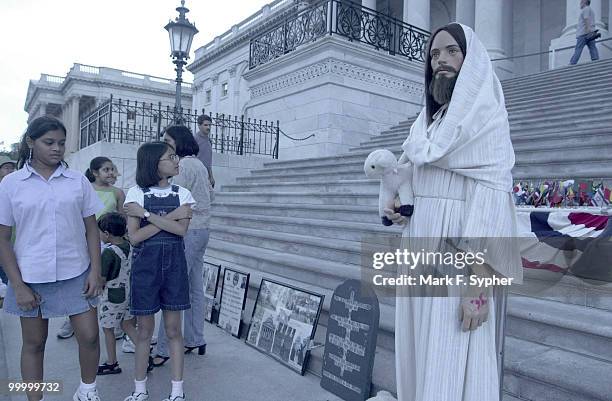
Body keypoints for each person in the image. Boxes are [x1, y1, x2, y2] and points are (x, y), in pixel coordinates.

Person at [385, 23, 523, 401]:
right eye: (434, 54)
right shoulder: (426, 123)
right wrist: (401, 207)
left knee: (451, 354)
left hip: (458, 258)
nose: (440, 61)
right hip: (418, 250)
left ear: (471, 61)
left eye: (451, 52)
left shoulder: (488, 122)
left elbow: (492, 199)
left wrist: (477, 286)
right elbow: (410, 176)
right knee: (420, 351)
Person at [0, 116, 105, 401]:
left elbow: (92, 229)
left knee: (90, 335)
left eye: (61, 143)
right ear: (31, 142)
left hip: (76, 271)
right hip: (30, 276)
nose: (56, 148)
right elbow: (3, 238)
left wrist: (95, 271)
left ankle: (87, 390)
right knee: (34, 343)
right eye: (49, 143)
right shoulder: (11, 184)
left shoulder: (77, 181)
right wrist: (18, 285)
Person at [123, 141, 195, 401]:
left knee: (174, 330)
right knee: (144, 331)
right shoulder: (136, 193)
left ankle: (177, 392)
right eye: (171, 157)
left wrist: (147, 215)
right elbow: (134, 237)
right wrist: (171, 216)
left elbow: (181, 230)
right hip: (145, 268)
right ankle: (139, 390)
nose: (176, 161)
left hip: (174, 268)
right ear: (154, 163)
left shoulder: (183, 193)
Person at [145, 125, 211, 367]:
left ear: (178, 142)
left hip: (189, 231)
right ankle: (195, 338)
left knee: (173, 290)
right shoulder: (200, 164)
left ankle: (164, 348)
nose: (165, 144)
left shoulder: (182, 166)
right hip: (202, 229)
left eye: (168, 140)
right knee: (194, 287)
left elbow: (172, 200)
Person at [57, 156, 126, 340]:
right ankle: (72, 320)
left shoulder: (118, 193)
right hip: (84, 241)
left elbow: (121, 219)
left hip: (107, 243)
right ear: (95, 172)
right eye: (106, 169)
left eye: (112, 169)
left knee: (109, 282)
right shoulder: (85, 188)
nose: (110, 173)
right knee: (83, 281)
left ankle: (114, 321)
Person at [96, 212, 138, 376]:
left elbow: (102, 279)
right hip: (129, 294)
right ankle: (145, 355)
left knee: (108, 329)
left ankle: (111, 362)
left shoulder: (108, 252)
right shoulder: (129, 245)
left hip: (112, 297)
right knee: (128, 325)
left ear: (106, 233)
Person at [0, 156, 16, 301]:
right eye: (6, 168)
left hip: (12, 240)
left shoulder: (17, 187)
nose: (10, 171)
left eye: (12, 167)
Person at [569, 0, 600, 65]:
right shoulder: (591, 10)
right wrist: (590, 31)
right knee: (592, 47)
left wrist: (588, 29)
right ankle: (596, 61)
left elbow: (586, 19)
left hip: (583, 34)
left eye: (581, 2)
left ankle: (572, 63)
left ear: (584, 2)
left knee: (578, 49)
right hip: (590, 33)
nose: (580, 4)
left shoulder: (585, 9)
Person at [194, 114, 215, 188]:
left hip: (206, 175)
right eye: (205, 125)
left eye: (210, 125)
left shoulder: (209, 141)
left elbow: (208, 161)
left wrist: (211, 176)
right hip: (196, 174)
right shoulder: (194, 140)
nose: (208, 127)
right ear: (199, 126)